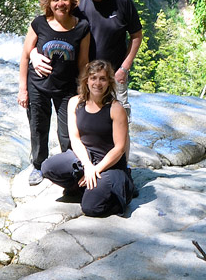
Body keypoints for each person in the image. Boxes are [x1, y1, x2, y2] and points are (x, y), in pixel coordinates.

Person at [31, 0, 142, 117]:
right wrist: (34, 54)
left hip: (114, 75)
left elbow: (136, 35)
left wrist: (124, 68)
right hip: (80, 76)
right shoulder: (75, 2)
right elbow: (47, 28)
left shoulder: (122, 0)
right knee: (83, 122)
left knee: (120, 121)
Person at [18, 0, 90, 185]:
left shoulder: (81, 27)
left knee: (67, 132)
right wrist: (23, 90)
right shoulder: (39, 24)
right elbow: (24, 56)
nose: (61, 4)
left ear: (72, 2)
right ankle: (39, 166)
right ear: (48, 2)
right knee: (38, 127)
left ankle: (69, 167)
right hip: (37, 86)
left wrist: (83, 92)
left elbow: (84, 63)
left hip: (67, 88)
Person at [41, 60, 135, 217]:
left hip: (110, 165)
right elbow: (75, 139)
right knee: (48, 167)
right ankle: (84, 187)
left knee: (91, 208)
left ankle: (123, 189)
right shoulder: (75, 103)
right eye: (93, 78)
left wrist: (96, 169)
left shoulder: (116, 108)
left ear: (109, 82)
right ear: (86, 80)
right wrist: (88, 166)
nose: (97, 83)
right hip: (85, 157)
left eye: (103, 79)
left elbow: (119, 147)